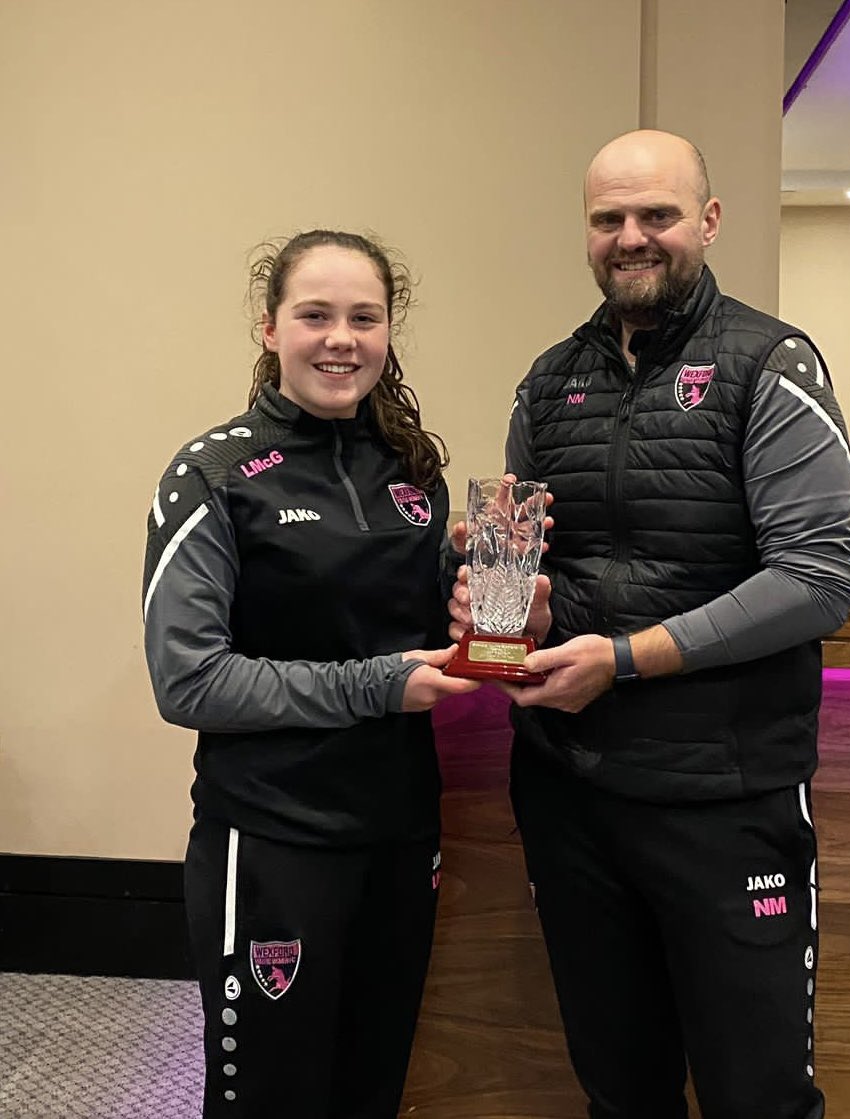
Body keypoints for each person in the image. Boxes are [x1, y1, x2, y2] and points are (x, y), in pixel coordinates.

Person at [449, 130, 850, 1119]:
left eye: (657, 215)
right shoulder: (547, 382)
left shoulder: (773, 364)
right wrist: (517, 615)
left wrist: (626, 660)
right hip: (571, 799)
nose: (632, 237)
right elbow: (523, 600)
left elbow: (815, 582)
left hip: (725, 801)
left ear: (707, 223)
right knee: (619, 1090)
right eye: (608, 219)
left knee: (756, 1095)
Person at [142, 229, 478, 1118]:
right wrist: (372, 684)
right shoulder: (211, 474)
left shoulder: (414, 470)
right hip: (272, 839)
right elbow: (189, 681)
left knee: (371, 1091)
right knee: (271, 1100)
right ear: (269, 328)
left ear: (389, 330)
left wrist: (497, 607)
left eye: (364, 317)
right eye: (315, 315)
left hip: (402, 835)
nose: (342, 338)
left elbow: (431, 625)